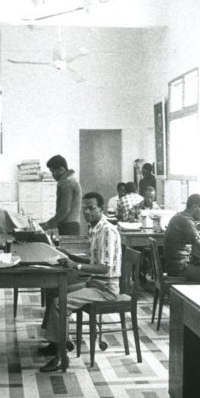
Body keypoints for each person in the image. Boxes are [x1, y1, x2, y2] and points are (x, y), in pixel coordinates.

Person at [37, 192, 122, 373]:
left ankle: (60, 357)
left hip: (106, 288)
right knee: (57, 293)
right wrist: (67, 255)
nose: (87, 212)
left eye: (92, 208)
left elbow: (104, 268)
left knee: (60, 303)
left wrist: (75, 265)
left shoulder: (107, 231)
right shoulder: (96, 229)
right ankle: (58, 343)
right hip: (95, 283)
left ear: (101, 209)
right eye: (84, 208)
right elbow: (92, 261)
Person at [40, 154, 82, 236]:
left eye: (53, 171)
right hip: (70, 224)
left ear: (61, 169)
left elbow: (64, 210)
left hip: (69, 226)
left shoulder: (67, 183)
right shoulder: (69, 180)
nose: (52, 175)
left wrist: (46, 225)